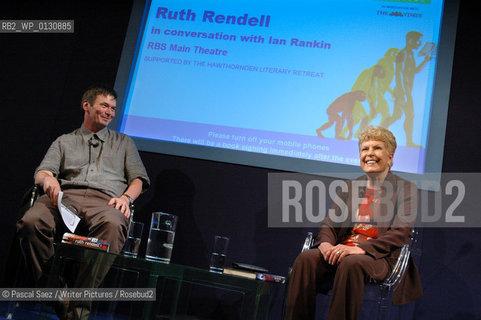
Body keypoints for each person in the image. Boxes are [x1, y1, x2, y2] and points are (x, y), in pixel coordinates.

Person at [16, 85, 150, 319]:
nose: (110, 112)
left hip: (106, 201)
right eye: (104, 105)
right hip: (65, 197)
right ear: (86, 105)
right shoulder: (65, 141)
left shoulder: (124, 142)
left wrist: (126, 198)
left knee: (114, 224)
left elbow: (138, 179)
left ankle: (73, 306)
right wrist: (49, 181)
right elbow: (42, 172)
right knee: (31, 221)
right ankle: (61, 295)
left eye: (113, 108)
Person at [285, 126, 422, 320]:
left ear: (390, 157)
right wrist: (325, 244)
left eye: (377, 148)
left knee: (352, 263)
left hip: (379, 258)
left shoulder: (406, 189)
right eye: (365, 149)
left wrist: (362, 249)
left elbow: (401, 232)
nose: (369, 154)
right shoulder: (350, 187)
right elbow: (330, 222)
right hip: (344, 250)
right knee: (306, 259)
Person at [380, 31, 434, 147]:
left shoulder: (410, 54)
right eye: (417, 41)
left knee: (397, 115)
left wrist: (426, 60)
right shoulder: (403, 54)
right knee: (409, 115)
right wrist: (403, 93)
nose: (420, 43)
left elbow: (413, 71)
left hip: (405, 90)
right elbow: (399, 74)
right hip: (403, 91)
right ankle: (408, 142)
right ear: (409, 40)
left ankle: (378, 134)